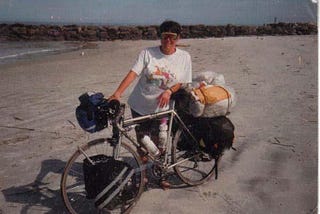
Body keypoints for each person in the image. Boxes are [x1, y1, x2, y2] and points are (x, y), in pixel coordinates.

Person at [109, 20, 192, 188]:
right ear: (160, 37)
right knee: (144, 143)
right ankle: (144, 176)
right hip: (140, 106)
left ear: (178, 38)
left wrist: (169, 91)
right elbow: (133, 73)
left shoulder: (184, 57)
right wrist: (117, 93)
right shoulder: (147, 53)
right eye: (164, 37)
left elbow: (183, 82)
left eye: (172, 37)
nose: (168, 41)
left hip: (163, 109)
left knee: (160, 141)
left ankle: (161, 174)